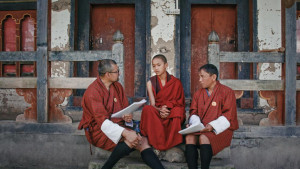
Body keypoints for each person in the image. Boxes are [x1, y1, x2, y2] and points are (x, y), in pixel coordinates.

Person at [78, 59, 164, 169]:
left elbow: (124, 109)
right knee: (131, 140)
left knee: (143, 140)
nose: (119, 73)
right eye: (117, 71)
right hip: (98, 130)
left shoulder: (117, 86)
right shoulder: (92, 92)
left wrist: (127, 117)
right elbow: (102, 122)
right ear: (108, 74)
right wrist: (126, 133)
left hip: (118, 124)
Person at [185, 64, 239, 169]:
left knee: (203, 137)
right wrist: (193, 124)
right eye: (199, 76)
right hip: (202, 127)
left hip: (221, 128)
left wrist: (212, 126)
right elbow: (193, 112)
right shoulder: (198, 94)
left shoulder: (227, 92)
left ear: (213, 77)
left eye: (202, 76)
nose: (200, 80)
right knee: (189, 137)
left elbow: (229, 115)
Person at [140, 54, 186, 151]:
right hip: (159, 111)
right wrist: (161, 110)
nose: (156, 68)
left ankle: (170, 142)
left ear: (166, 65)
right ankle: (157, 142)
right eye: (153, 66)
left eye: (158, 65)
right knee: (147, 109)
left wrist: (167, 108)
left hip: (171, 110)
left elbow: (179, 102)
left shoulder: (176, 82)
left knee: (178, 111)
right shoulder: (150, 82)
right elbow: (153, 104)